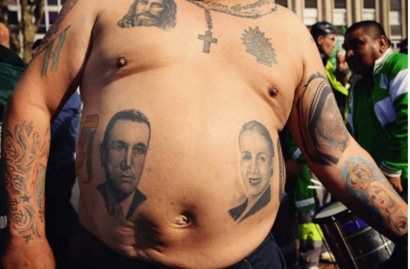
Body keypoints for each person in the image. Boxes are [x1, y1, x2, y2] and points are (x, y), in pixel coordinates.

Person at [1, 1, 407, 268]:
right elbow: (33, 102)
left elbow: (335, 151)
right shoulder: (104, 3)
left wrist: (403, 222)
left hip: (247, 258)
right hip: (113, 255)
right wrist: (25, 238)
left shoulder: (286, 30)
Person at [344, 21, 408, 203]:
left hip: (400, 179)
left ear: (382, 43)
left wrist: (392, 169)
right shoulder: (357, 85)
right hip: (378, 183)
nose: (348, 54)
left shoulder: (400, 64)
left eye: (357, 44)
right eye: (346, 47)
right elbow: (350, 136)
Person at [97, 109, 150, 220]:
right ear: (103, 154)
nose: (128, 163)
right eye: (119, 148)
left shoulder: (147, 203)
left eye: (138, 150)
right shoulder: (94, 195)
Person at [310, 22, 349, 118]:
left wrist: (342, 72)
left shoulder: (328, 64)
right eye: (332, 39)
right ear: (320, 40)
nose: (334, 45)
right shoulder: (308, 64)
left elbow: (339, 89)